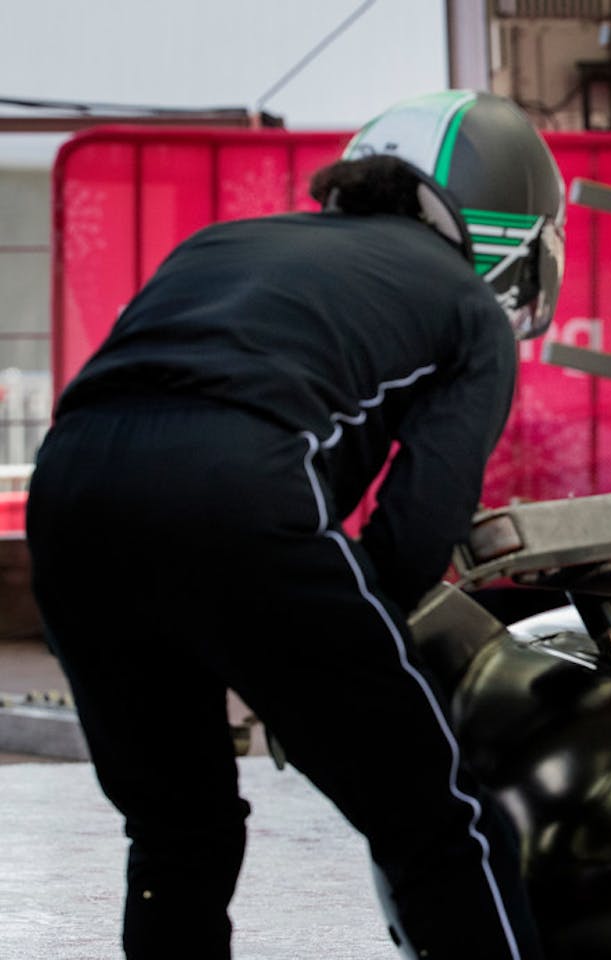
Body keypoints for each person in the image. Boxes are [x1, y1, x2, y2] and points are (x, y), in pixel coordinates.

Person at [26, 90, 565, 959]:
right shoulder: (467, 306)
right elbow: (416, 528)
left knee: (177, 829)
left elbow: (135, 398)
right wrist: (334, 666)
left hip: (70, 502)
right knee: (437, 819)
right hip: (238, 494)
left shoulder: (221, 242)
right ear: (506, 224)